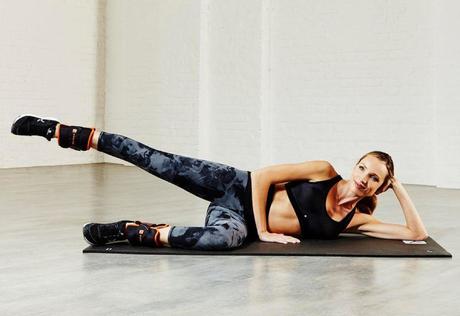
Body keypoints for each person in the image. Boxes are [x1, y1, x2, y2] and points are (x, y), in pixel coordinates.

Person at [11, 114, 428, 251]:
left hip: (237, 221)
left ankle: (130, 230)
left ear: (380, 187)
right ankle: (63, 132)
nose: (364, 178)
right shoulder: (323, 170)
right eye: (363, 168)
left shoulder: (355, 220)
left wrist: (400, 187)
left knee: (219, 241)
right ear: (355, 165)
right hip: (235, 185)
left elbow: (416, 234)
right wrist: (266, 231)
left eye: (375, 178)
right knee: (157, 161)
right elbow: (263, 176)